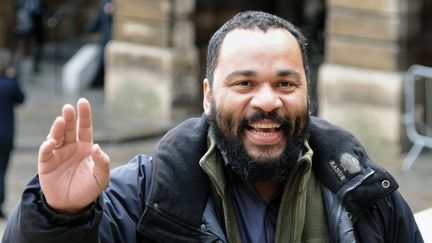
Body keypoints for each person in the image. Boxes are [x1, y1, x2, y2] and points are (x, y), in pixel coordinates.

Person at [2, 11, 423, 242]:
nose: (267, 101)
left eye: (286, 83)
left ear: (306, 93)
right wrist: (60, 215)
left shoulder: (367, 194)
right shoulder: (141, 195)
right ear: (207, 95)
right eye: (244, 83)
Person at [0, 48, 25, 218]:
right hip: (5, 135)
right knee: (1, 170)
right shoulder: (10, 85)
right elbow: (21, 98)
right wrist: (14, 77)